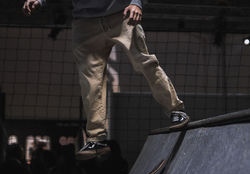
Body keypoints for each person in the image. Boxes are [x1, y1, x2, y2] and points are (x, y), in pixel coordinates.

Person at [22, 0, 190, 160]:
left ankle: (176, 109)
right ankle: (96, 139)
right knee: (90, 82)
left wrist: (136, 2)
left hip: (122, 14)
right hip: (85, 23)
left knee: (145, 63)